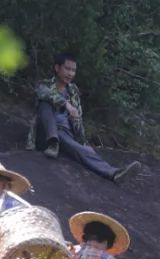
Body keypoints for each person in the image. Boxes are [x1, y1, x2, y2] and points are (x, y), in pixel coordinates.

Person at [26, 52, 141, 183]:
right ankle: (53, 141)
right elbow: (42, 93)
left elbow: (77, 120)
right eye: (67, 69)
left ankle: (114, 173)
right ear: (57, 68)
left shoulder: (73, 91)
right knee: (45, 103)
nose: (70, 73)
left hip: (65, 135)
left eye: (73, 70)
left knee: (79, 148)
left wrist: (83, 143)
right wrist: (65, 104)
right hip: (45, 135)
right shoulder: (44, 84)